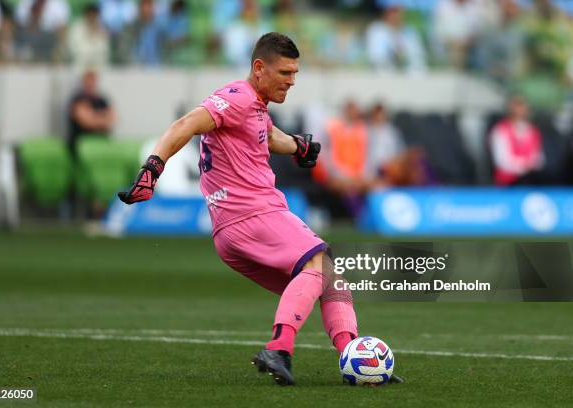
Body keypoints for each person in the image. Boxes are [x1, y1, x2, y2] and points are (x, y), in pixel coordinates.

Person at [118, 33, 399, 386]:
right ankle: (278, 349)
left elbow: (268, 135)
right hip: (253, 214)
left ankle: (352, 356)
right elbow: (184, 125)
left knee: (331, 279)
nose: (291, 81)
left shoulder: (256, 107)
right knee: (318, 262)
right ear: (259, 68)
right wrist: (152, 169)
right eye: (285, 72)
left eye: (295, 73)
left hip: (230, 231)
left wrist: (297, 146)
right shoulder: (235, 98)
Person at [489, 94, 545, 185]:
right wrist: (523, 166)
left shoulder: (533, 131)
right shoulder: (500, 130)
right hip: (508, 182)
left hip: (530, 179)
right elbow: (502, 161)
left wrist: (531, 165)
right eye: (516, 106)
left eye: (522, 105)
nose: (519, 110)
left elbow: (539, 158)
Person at [67, 70, 116, 159]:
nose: (91, 83)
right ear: (83, 82)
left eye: (93, 80)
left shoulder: (102, 100)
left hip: (101, 144)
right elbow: (86, 122)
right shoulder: (78, 99)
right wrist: (101, 117)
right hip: (80, 145)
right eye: (88, 80)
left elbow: (112, 118)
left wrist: (93, 116)